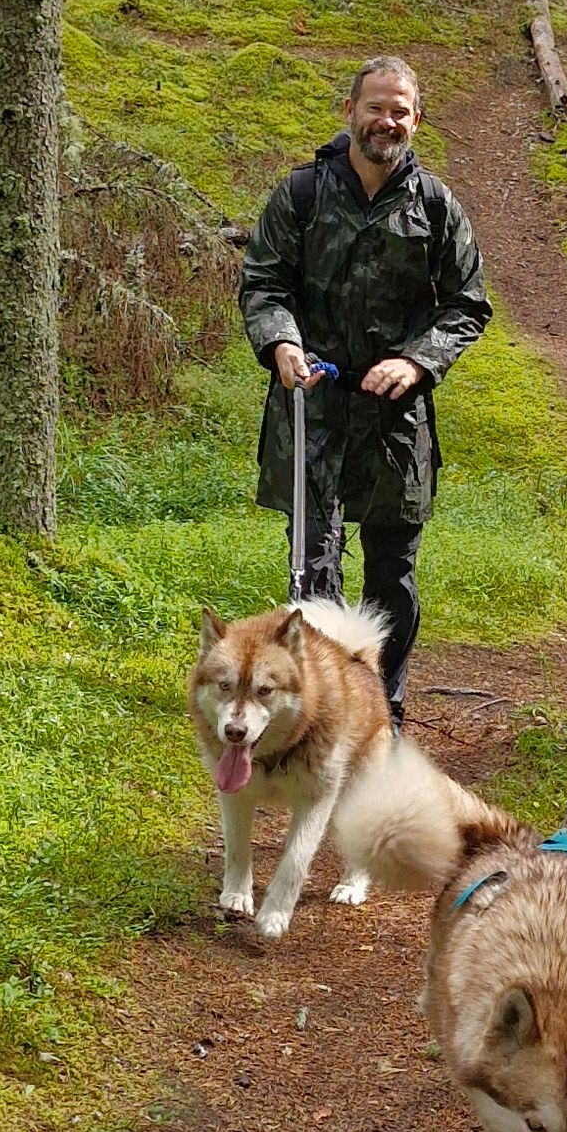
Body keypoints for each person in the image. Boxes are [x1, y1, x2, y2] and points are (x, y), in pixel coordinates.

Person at [239, 56, 491, 728]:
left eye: (400, 110)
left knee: (391, 576)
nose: (387, 121)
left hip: (395, 421)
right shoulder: (301, 195)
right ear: (349, 111)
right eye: (376, 107)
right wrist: (283, 343)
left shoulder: (436, 206)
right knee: (313, 571)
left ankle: (386, 703)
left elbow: (467, 305)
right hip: (311, 408)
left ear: (417, 119)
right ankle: (324, 709)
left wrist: (415, 362)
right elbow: (263, 283)